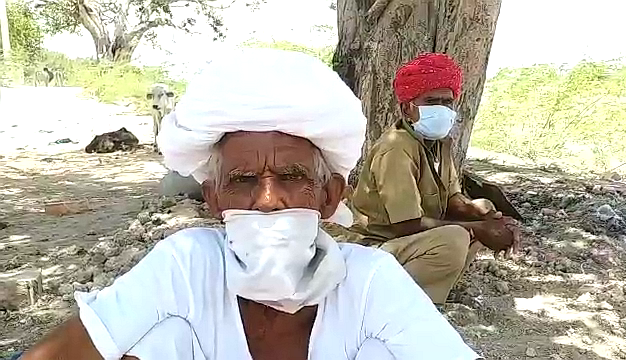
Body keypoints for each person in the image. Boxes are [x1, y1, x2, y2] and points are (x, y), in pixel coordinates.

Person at [21, 49, 480, 360]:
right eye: (242, 180)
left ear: (329, 197)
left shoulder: (369, 282)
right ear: (213, 200)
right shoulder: (185, 266)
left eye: (293, 177)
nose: (267, 200)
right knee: (158, 340)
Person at [349, 53, 520, 305]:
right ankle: (388, 300)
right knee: (456, 237)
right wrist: (479, 229)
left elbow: (451, 198)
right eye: (431, 101)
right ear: (407, 107)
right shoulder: (396, 148)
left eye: (446, 102)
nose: (440, 109)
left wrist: (483, 215)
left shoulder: (440, 144)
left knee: (481, 213)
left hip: (409, 242)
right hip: (376, 247)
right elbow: (406, 225)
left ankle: (428, 289)